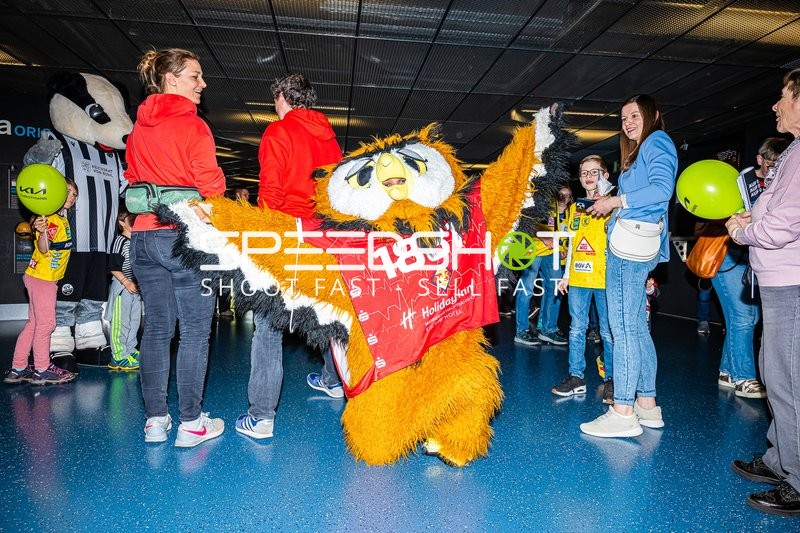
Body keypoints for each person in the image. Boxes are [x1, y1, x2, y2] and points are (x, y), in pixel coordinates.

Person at [126, 48, 226, 447]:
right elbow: (212, 187)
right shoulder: (193, 126)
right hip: (183, 238)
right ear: (170, 79)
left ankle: (155, 421)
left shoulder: (137, 128)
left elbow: (133, 176)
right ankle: (191, 424)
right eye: (194, 77)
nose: (202, 84)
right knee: (196, 332)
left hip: (143, 236)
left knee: (156, 332)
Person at [235, 73, 344, 441]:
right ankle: (335, 381)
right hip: (325, 237)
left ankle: (262, 417)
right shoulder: (331, 140)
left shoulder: (278, 132)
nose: (274, 106)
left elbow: (270, 194)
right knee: (332, 315)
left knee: (268, 323)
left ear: (282, 96)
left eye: (274, 100)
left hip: (288, 234)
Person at [580, 94, 677, 438]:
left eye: (635, 115)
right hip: (639, 243)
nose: (628, 122)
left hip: (629, 249)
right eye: (623, 118)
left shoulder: (657, 142)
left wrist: (616, 201)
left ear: (653, 114)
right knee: (635, 328)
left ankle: (622, 411)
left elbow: (663, 189)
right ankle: (647, 406)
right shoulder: (641, 151)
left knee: (622, 330)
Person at [726, 69, 800, 517]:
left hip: (791, 282)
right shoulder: (793, 152)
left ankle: (797, 480)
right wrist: (749, 218)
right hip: (779, 282)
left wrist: (744, 230)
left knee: (789, 383)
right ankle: (779, 460)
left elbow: (785, 223)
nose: (775, 106)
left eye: (783, 97)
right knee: (777, 379)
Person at [4, 180, 78, 386]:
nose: (72, 197)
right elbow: (44, 247)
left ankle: (18, 368)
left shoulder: (60, 220)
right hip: (43, 279)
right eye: (69, 192)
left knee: (34, 324)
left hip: (39, 277)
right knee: (47, 324)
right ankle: (42, 369)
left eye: (74, 194)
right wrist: (41, 231)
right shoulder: (50, 221)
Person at [553, 156, 614, 403]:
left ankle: (612, 379)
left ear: (605, 175)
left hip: (605, 279)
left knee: (608, 333)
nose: (588, 177)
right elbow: (574, 245)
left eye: (594, 172)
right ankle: (576, 377)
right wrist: (566, 276)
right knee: (576, 329)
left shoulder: (613, 206)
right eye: (583, 172)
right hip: (578, 278)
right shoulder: (574, 209)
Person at [513, 188, 569, 347]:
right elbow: (522, 222)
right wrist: (542, 236)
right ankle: (521, 331)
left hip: (553, 251)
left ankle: (548, 330)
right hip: (532, 250)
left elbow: (557, 228)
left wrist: (561, 247)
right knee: (527, 289)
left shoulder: (555, 205)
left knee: (555, 288)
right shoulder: (531, 198)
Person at [106, 209, 141, 371]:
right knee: (121, 322)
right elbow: (113, 266)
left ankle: (130, 350)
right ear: (122, 223)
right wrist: (126, 282)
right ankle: (118, 356)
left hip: (136, 289)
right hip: (123, 287)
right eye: (131, 219)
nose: (135, 220)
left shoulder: (137, 240)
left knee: (134, 321)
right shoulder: (120, 241)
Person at [216, 187, 251, 319]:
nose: (247, 197)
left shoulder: (249, 211)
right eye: (245, 195)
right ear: (237, 195)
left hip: (242, 249)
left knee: (240, 278)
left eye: (248, 195)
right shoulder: (231, 210)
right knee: (226, 278)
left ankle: (239, 306)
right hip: (230, 248)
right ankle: (225, 308)